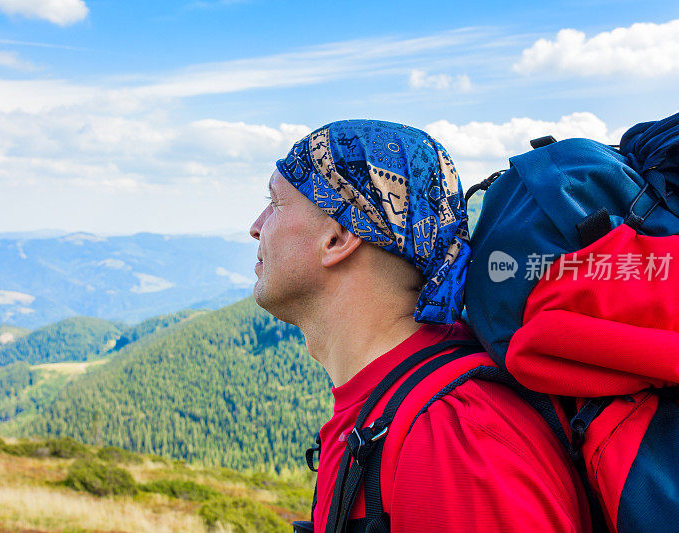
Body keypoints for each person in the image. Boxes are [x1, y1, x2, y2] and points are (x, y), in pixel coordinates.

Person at [249, 120, 590, 532]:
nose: (255, 226)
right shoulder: (395, 409)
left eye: (276, 202)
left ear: (338, 237)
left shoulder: (452, 438)